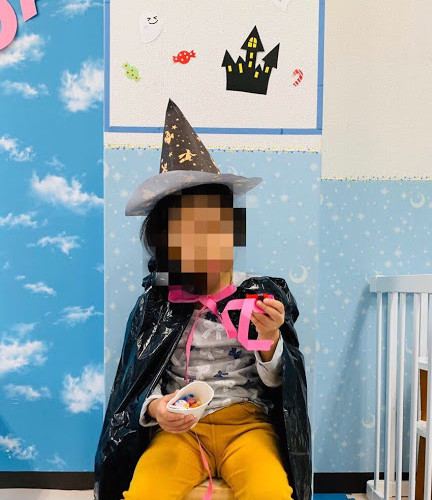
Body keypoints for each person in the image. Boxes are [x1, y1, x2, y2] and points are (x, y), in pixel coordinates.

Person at [94, 99, 312, 500]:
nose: (205, 242)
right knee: (143, 493)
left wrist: (270, 341)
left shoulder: (258, 296)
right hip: (178, 431)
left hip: (248, 426)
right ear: (166, 245)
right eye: (188, 233)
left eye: (216, 228)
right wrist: (157, 409)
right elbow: (139, 382)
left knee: (271, 492)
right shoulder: (157, 305)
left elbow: (280, 384)